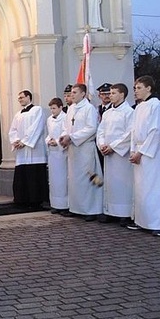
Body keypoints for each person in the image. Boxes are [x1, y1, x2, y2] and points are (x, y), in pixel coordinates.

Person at [127, 75, 160, 236]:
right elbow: (134, 131)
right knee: (141, 190)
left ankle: (158, 223)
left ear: (149, 88)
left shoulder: (155, 105)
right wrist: (133, 150)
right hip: (139, 151)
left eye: (139, 88)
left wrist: (141, 152)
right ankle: (143, 221)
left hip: (151, 153)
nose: (136, 91)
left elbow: (155, 131)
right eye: (135, 88)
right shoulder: (140, 106)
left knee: (154, 189)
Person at [59, 84, 103, 221]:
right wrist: (64, 136)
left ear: (83, 94)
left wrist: (72, 137)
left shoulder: (89, 108)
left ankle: (90, 210)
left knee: (87, 179)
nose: (72, 95)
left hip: (85, 148)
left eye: (75, 92)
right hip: (73, 149)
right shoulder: (71, 108)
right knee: (74, 179)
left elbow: (91, 128)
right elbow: (66, 127)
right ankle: (75, 207)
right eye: (71, 92)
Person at [96, 83, 134, 226]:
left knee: (123, 183)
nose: (109, 95)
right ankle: (111, 211)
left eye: (113, 93)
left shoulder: (129, 112)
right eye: (109, 93)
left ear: (122, 95)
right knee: (111, 183)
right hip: (108, 153)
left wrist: (113, 146)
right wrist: (102, 144)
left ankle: (125, 213)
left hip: (121, 154)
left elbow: (129, 133)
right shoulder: (107, 113)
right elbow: (101, 131)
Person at [9, 90, 48, 210]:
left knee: (34, 176)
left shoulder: (37, 110)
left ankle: (36, 201)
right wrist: (15, 140)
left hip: (34, 149)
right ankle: (22, 200)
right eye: (18, 98)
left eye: (22, 97)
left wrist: (24, 141)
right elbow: (13, 130)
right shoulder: (18, 114)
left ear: (28, 97)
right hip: (21, 152)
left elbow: (36, 127)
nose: (19, 99)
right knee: (22, 175)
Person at [45, 98, 68, 213]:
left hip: (61, 153)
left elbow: (66, 132)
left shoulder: (65, 118)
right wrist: (49, 140)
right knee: (53, 180)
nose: (52, 111)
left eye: (54, 108)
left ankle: (64, 205)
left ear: (60, 107)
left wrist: (58, 141)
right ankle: (55, 204)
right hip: (53, 154)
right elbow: (49, 134)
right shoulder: (49, 119)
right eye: (51, 108)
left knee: (62, 179)